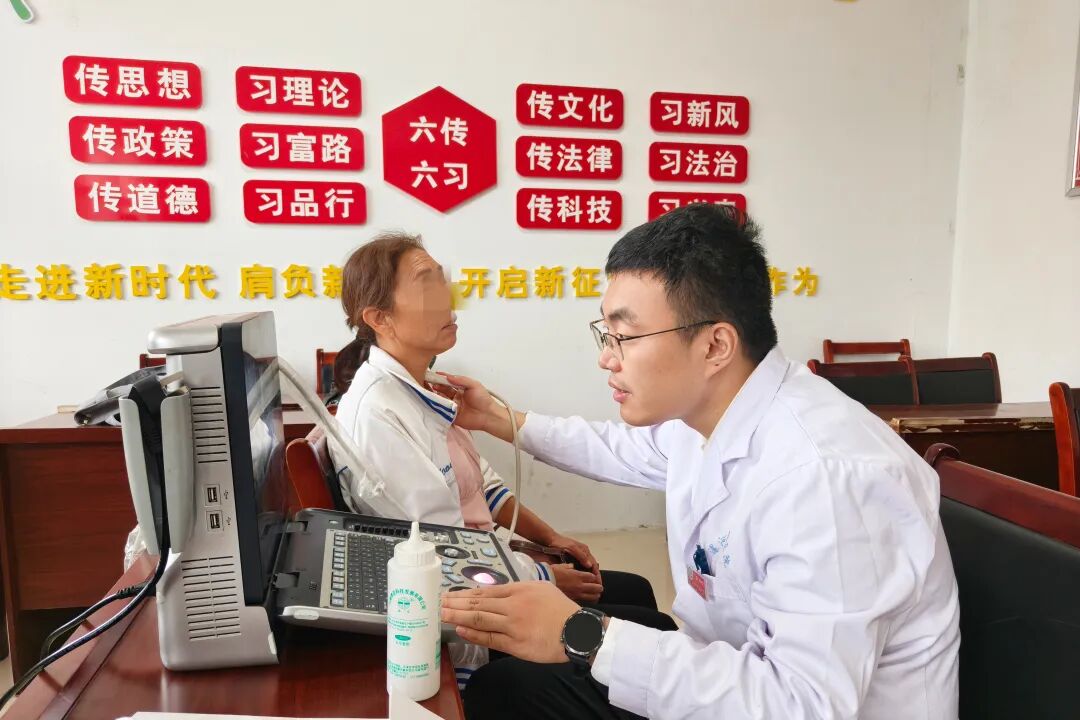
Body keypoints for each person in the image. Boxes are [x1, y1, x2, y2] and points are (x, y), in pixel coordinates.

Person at [440, 204, 961, 720]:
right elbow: (613, 448)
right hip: (727, 671)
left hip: (778, 702)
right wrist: (497, 417)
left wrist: (583, 635)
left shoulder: (825, 478)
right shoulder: (712, 418)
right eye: (605, 333)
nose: (606, 357)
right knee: (509, 684)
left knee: (509, 694)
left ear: (715, 345)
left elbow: (799, 705)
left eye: (625, 336)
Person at [327, 232, 675, 684]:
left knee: (638, 594)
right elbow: (443, 549)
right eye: (427, 283)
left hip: (493, 569)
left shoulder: (425, 388)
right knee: (654, 624)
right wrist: (545, 577)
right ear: (379, 317)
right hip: (472, 608)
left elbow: (485, 487)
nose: (449, 295)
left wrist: (548, 537)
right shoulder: (378, 414)